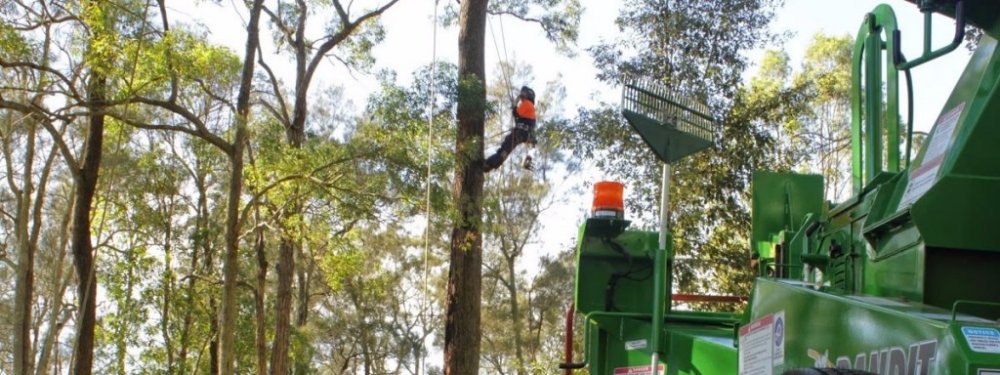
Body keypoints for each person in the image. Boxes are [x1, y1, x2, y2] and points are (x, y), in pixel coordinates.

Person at [485, 86, 537, 172]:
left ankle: (488, 164)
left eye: (523, 93)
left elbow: (516, 113)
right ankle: (490, 166)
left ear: (528, 95)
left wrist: (515, 103)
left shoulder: (528, 103)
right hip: (522, 134)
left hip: (520, 133)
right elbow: (519, 117)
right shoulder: (531, 110)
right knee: (505, 151)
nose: (522, 96)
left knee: (504, 149)